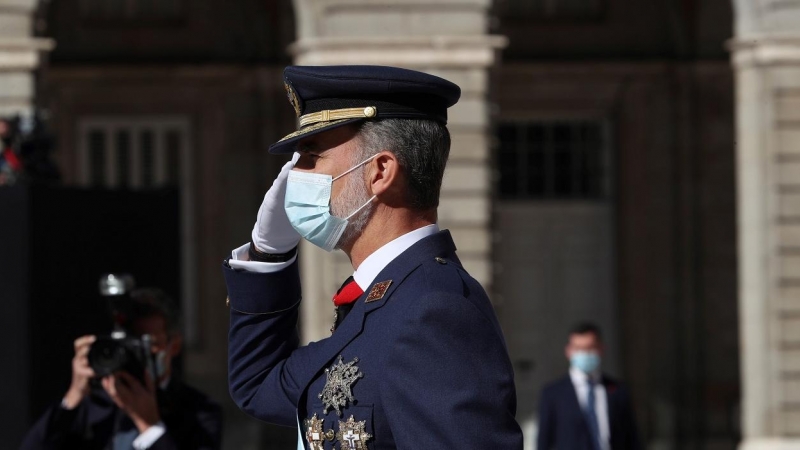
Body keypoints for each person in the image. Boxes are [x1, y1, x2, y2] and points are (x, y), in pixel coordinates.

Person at [223, 65, 523, 449]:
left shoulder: (433, 309)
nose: (294, 177)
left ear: (380, 171)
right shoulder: (383, 299)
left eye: (311, 159)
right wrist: (267, 255)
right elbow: (259, 384)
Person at [20, 288, 222, 450]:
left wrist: (150, 426)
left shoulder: (200, 411)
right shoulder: (96, 403)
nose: (136, 353)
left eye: (147, 343)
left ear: (174, 345)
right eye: (129, 343)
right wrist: (74, 395)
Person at [537, 323, 641, 450]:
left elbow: (631, 438)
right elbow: (544, 441)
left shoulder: (617, 390)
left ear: (601, 349)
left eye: (590, 348)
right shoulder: (553, 394)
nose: (584, 354)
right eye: (578, 348)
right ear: (568, 351)